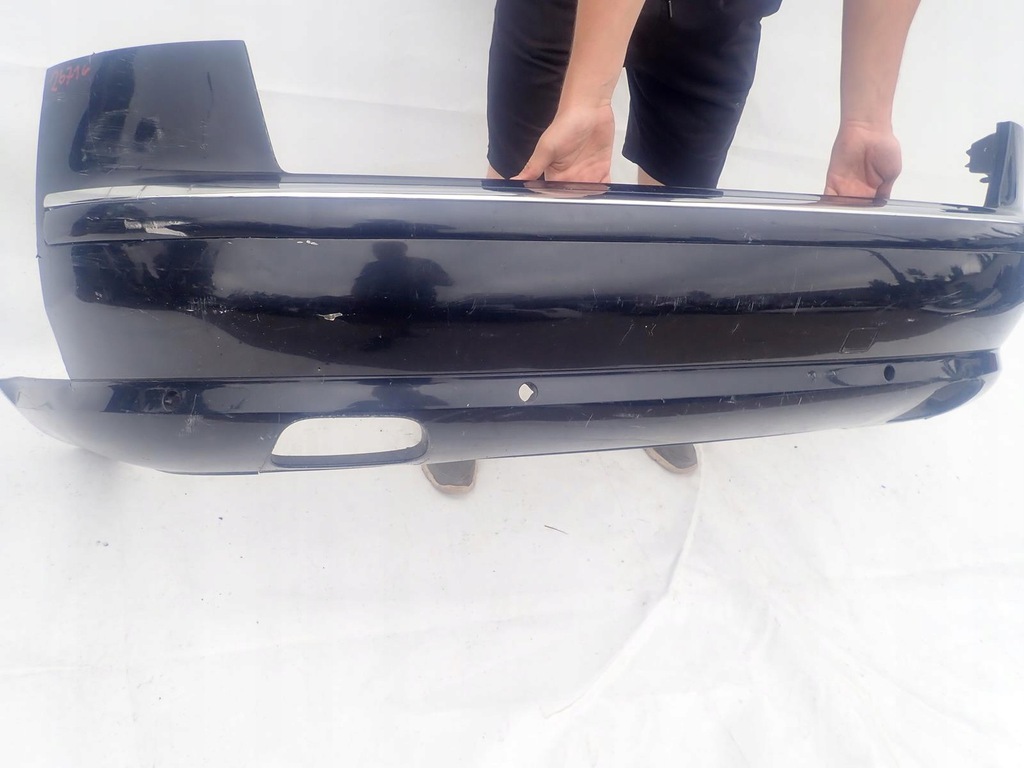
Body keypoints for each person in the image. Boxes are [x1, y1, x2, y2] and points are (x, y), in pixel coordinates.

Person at [423, 0, 920, 493]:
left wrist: (867, 122)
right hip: (563, 10)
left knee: (682, 221)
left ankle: (654, 378)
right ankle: (475, 386)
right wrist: (588, 98)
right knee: (522, 194)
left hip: (718, 16)